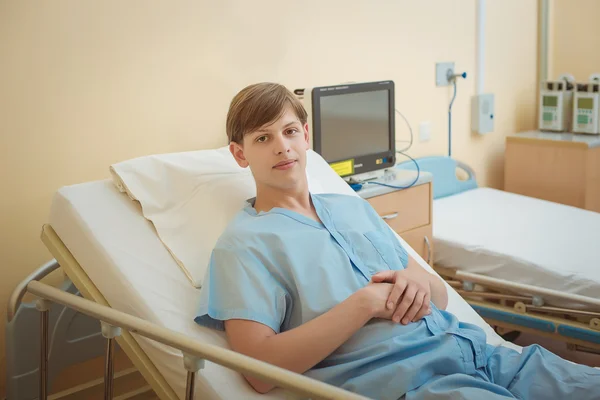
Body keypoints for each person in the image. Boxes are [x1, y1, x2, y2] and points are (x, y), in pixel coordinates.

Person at [195, 82, 600, 399]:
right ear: (239, 154)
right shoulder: (244, 245)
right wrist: (363, 304)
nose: (282, 146)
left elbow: (437, 297)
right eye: (263, 138)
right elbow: (259, 371)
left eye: (288, 131)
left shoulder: (350, 207)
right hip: (416, 385)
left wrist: (416, 283)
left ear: (305, 136)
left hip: (489, 356)